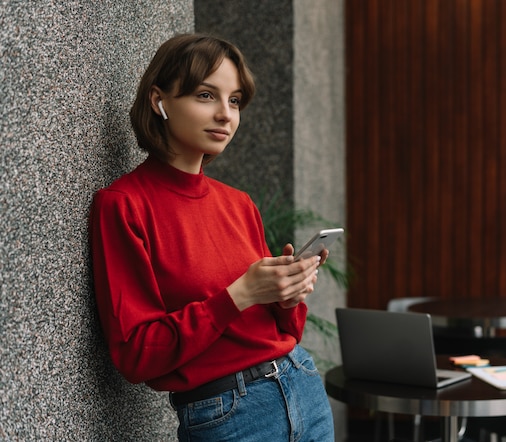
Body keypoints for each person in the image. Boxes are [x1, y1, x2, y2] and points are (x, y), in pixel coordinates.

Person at [89, 33, 335, 441]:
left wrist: (287, 296)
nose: (226, 114)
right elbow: (136, 353)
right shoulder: (123, 204)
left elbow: (284, 331)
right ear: (159, 100)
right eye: (206, 95)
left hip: (302, 385)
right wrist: (239, 295)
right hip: (227, 413)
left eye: (235, 100)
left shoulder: (239, 203)